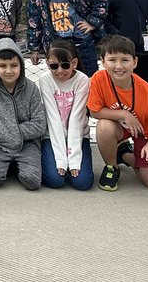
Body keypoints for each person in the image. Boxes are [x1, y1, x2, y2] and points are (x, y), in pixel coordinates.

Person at [89, 35, 148, 191]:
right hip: (119, 127)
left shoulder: (147, 91)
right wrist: (124, 115)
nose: (119, 66)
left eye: (125, 60)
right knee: (104, 127)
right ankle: (112, 167)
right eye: (112, 60)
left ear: (135, 62)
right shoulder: (98, 79)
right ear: (103, 61)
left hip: (143, 131)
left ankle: (126, 156)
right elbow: (95, 111)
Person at [0, 38, 46, 190]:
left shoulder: (31, 88)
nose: (9, 71)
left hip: (28, 143)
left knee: (32, 182)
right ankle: (8, 165)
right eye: (2, 66)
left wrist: (15, 133)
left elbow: (39, 124)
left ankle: (18, 166)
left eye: (14, 65)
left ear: (21, 66)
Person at [37, 42, 92, 191]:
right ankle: (59, 164)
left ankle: (70, 165)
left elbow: (77, 118)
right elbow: (53, 117)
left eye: (65, 65)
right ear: (48, 64)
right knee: (55, 180)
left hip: (79, 135)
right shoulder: (45, 80)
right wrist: (61, 159)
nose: (59, 71)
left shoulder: (82, 80)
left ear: (74, 63)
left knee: (83, 183)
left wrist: (73, 160)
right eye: (54, 66)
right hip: (52, 135)